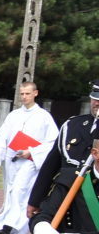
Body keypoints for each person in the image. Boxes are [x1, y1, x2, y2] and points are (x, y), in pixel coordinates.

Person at [0, 81, 57, 234]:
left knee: (19, 190)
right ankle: (17, 230)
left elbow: (52, 142)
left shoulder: (44, 117)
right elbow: (1, 138)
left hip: (30, 161)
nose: (24, 97)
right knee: (11, 192)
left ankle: (8, 226)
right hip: (12, 160)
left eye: (27, 93)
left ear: (35, 93)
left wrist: (31, 152)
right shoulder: (13, 115)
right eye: (22, 94)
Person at [28, 80, 99, 215]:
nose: (97, 103)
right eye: (95, 98)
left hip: (94, 205)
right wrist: (35, 200)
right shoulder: (72, 125)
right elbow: (51, 166)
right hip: (64, 199)